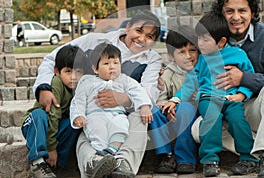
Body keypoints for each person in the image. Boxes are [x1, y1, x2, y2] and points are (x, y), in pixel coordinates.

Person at [32, 9, 162, 178]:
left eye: (150, 37)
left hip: (123, 114)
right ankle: (92, 164)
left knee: (141, 115)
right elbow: (52, 59)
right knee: (84, 125)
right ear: (128, 27)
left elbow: (148, 92)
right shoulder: (96, 40)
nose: (142, 39)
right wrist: (43, 87)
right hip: (91, 109)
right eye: (139, 31)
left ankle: (123, 165)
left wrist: (122, 99)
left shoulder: (152, 59)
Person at [206, 0, 264, 178]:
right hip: (224, 110)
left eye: (242, 10)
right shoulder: (215, 37)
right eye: (230, 11)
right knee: (196, 130)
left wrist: (243, 78)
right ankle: (257, 151)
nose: (236, 17)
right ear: (222, 13)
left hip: (256, 110)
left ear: (252, 12)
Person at [163, 11, 259, 177]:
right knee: (212, 118)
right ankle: (210, 159)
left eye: (205, 40)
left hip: (231, 98)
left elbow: (249, 78)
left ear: (221, 42)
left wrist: (242, 95)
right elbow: (191, 83)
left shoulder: (238, 55)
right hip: (208, 98)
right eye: (199, 38)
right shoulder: (202, 59)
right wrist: (175, 99)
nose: (200, 43)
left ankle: (248, 157)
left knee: (238, 120)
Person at [69, 43, 153, 178]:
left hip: (118, 116)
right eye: (106, 63)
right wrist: (77, 116)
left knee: (121, 129)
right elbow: (78, 100)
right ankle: (96, 162)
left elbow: (138, 91)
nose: (112, 66)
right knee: (96, 134)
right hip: (94, 116)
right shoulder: (87, 81)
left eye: (116, 63)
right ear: (95, 69)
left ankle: (117, 161)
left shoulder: (125, 80)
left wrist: (144, 106)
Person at [20, 45, 87, 178]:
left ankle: (59, 166)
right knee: (39, 115)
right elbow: (53, 115)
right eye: (68, 71)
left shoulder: (81, 87)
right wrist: (51, 148)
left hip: (55, 129)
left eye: (78, 72)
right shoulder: (57, 83)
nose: (74, 77)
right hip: (37, 125)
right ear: (57, 71)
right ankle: (37, 162)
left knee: (73, 123)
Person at [148, 25, 199, 174]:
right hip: (171, 109)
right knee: (154, 111)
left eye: (192, 50)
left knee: (185, 108)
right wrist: (166, 107)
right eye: (181, 52)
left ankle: (185, 158)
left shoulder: (201, 71)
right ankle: (167, 155)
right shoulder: (168, 73)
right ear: (171, 56)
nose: (188, 56)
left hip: (191, 110)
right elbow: (161, 97)